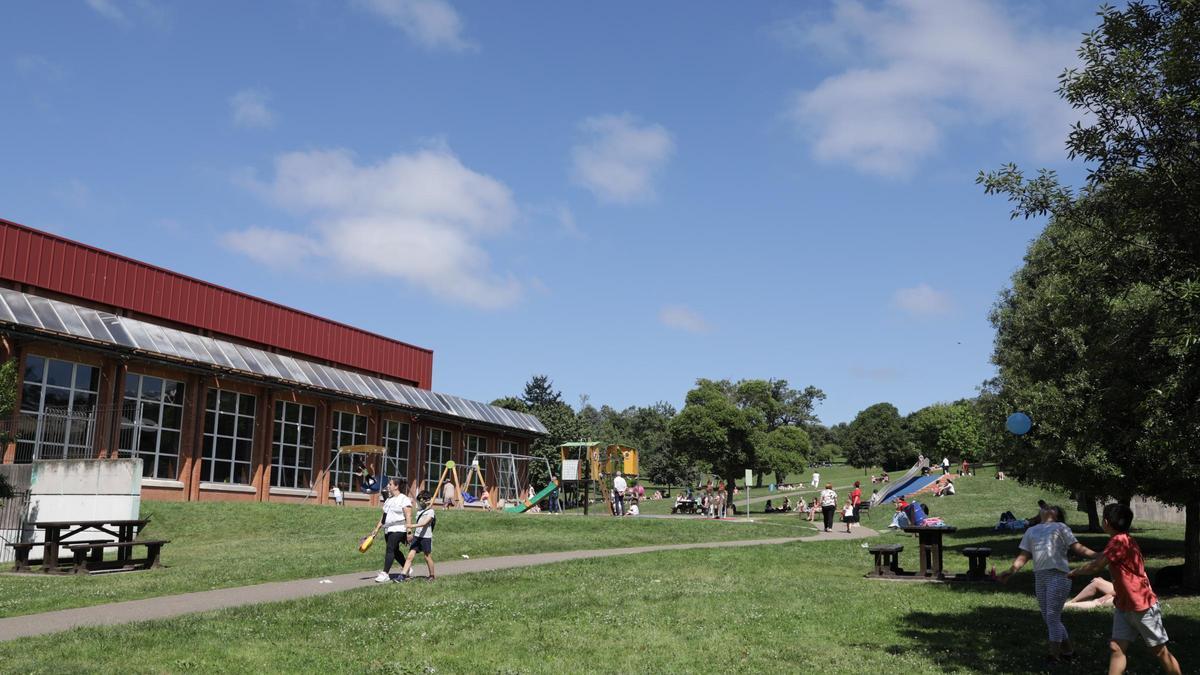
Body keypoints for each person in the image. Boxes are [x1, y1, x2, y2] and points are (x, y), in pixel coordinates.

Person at [1069, 503, 1183, 675]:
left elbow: (1096, 566)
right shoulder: (1121, 540)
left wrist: (1074, 572)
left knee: (1159, 651)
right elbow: (1102, 559)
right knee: (1116, 647)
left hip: (1141, 605)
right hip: (1124, 604)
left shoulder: (1119, 541)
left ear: (1106, 521)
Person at [999, 504, 1098, 662]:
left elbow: (1078, 547)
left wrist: (1099, 556)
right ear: (1039, 514)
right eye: (1044, 507)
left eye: (1052, 507)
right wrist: (1011, 571)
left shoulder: (1061, 527)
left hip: (1059, 575)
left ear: (1057, 515)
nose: (1047, 508)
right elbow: (1024, 555)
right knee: (1050, 618)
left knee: (1052, 617)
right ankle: (1069, 652)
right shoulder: (1031, 530)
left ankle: (1053, 655)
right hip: (1040, 577)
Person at [371, 477, 412, 583]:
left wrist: (409, 531)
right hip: (388, 529)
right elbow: (384, 516)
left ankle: (385, 573)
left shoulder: (404, 499)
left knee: (390, 549)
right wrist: (377, 529)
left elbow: (408, 515)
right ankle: (406, 568)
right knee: (395, 551)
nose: (388, 486)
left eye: (390, 484)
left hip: (399, 528)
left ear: (396, 486)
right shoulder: (388, 500)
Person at [398, 490, 436, 581]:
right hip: (417, 537)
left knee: (427, 557)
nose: (419, 502)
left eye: (421, 500)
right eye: (419, 500)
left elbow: (424, 523)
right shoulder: (420, 511)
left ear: (426, 501)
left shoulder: (431, 512)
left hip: (425, 538)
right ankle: (403, 575)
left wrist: (411, 526)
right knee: (410, 556)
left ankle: (432, 576)